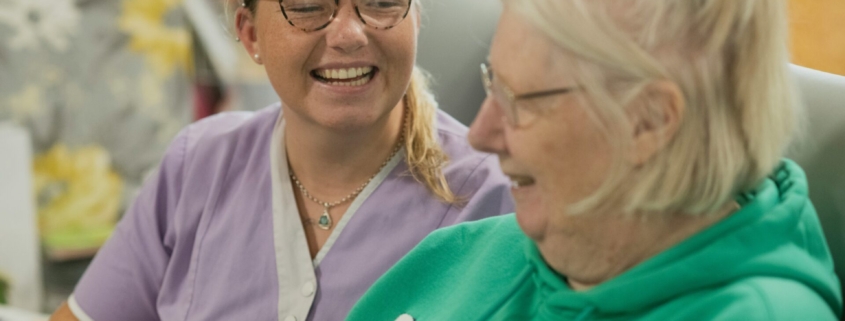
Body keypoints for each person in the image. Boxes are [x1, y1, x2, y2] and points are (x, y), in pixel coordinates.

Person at [346, 0, 843, 320]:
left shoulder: (757, 314)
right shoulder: (462, 255)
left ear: (649, 121)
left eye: (521, 100)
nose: (481, 133)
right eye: (493, 82)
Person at [49, 0, 514, 320]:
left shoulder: (499, 199)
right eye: (308, 5)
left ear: (415, 17)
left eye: (380, 0)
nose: (350, 34)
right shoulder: (198, 168)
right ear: (250, 34)